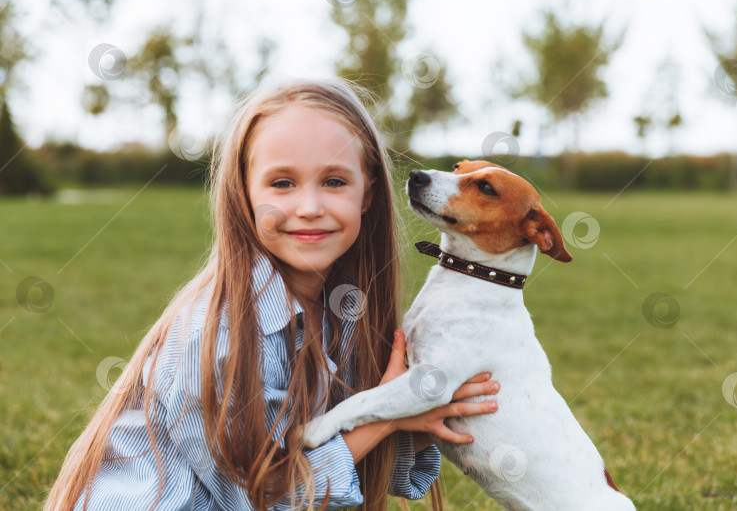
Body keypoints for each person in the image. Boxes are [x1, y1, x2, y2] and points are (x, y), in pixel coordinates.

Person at [44, 78, 500, 511]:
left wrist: (423, 414)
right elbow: (266, 499)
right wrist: (387, 411)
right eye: (282, 183)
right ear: (243, 193)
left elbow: (354, 463)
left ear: (367, 193)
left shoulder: (342, 312)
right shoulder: (218, 334)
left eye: (334, 181)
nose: (308, 208)